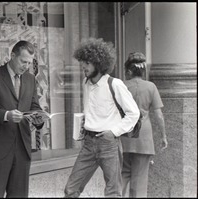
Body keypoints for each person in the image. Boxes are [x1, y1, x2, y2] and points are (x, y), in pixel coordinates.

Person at [64, 38, 140, 197]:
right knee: (71, 189)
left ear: (99, 63)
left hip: (108, 143)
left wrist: (114, 132)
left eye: (87, 62)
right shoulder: (86, 83)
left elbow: (134, 112)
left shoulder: (115, 84)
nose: (83, 66)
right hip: (89, 143)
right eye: (82, 62)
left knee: (112, 192)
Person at [0, 40, 45, 197]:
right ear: (12, 56)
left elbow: (34, 105)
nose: (26, 66)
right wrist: (6, 115)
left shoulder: (30, 79)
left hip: (22, 147)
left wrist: (38, 117)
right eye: (23, 61)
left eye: (29, 62)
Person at [121, 52, 168, 197]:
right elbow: (159, 115)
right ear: (142, 71)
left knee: (121, 177)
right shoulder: (151, 87)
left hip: (123, 137)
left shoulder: (121, 86)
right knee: (139, 181)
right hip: (144, 139)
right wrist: (163, 136)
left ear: (129, 71)